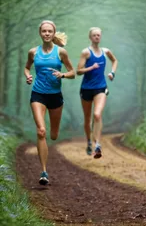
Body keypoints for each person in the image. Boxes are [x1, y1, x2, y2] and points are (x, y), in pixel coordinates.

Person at [24, 20, 75, 185]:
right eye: (44, 31)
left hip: (55, 97)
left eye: (49, 31)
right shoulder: (33, 52)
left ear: (53, 34)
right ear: (40, 33)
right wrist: (28, 76)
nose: (46, 34)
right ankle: (44, 172)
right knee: (41, 131)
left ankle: (54, 133)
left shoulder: (61, 52)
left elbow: (73, 72)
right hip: (38, 94)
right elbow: (27, 67)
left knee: (53, 135)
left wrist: (63, 75)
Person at [76, 27, 117, 159]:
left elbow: (114, 61)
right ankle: (89, 141)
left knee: (97, 114)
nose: (97, 37)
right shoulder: (86, 53)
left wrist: (112, 72)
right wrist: (91, 68)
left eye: (98, 35)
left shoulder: (106, 52)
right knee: (88, 119)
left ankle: (97, 144)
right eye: (94, 35)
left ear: (101, 37)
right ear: (90, 37)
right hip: (86, 89)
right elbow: (78, 71)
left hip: (101, 87)